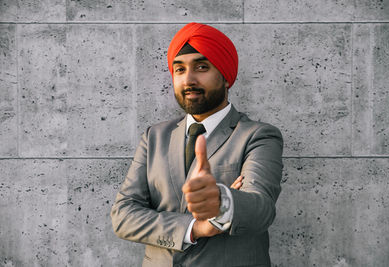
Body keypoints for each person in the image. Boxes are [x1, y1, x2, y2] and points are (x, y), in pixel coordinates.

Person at [110, 22, 283, 267]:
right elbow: (123, 215)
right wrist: (195, 227)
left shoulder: (258, 135)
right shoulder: (155, 136)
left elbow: (261, 210)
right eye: (179, 70)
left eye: (201, 67)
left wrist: (223, 201)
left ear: (225, 76)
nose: (188, 79)